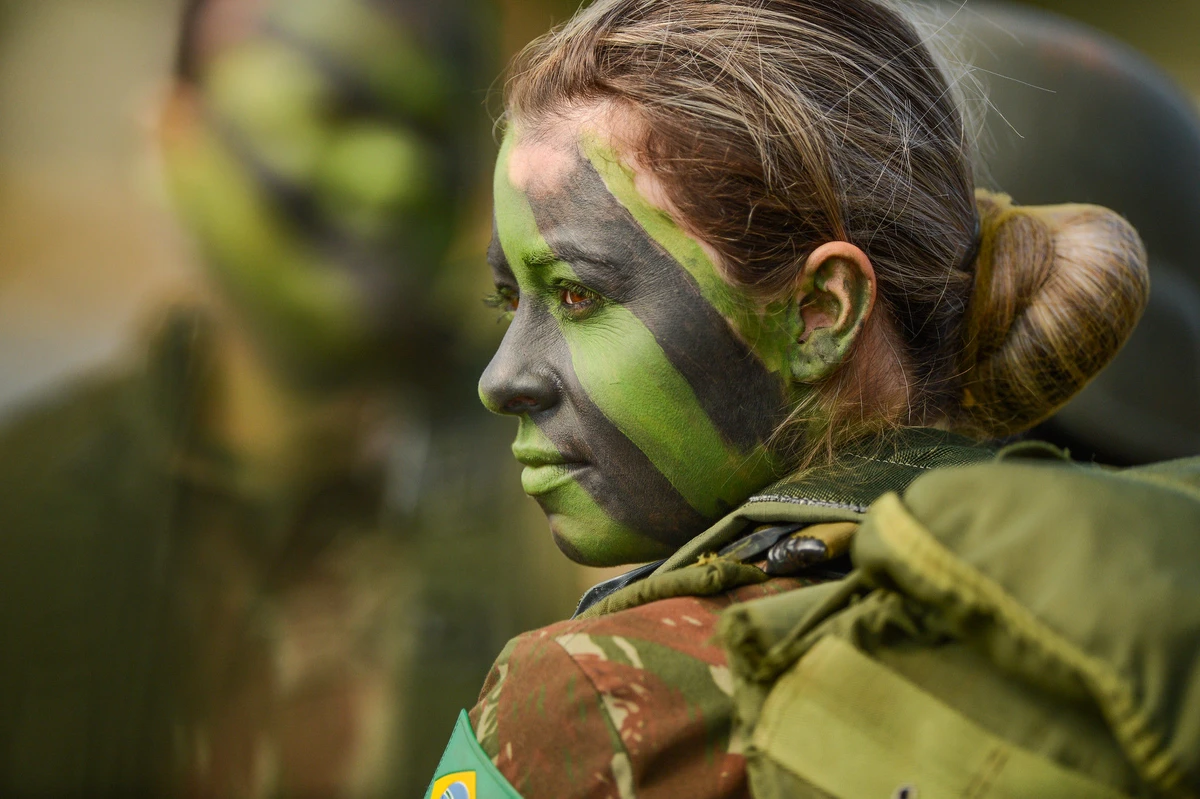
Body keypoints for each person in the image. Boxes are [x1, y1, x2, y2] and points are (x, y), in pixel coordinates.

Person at [424, 0, 1200, 796]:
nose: (501, 378)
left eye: (579, 295)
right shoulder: (1133, 585)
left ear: (819, 315)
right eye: (507, 300)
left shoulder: (590, 698)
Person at [0, 0, 577, 796]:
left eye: (433, 125)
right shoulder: (30, 509)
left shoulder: (571, 497)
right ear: (174, 139)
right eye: (336, 111)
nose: (396, 174)